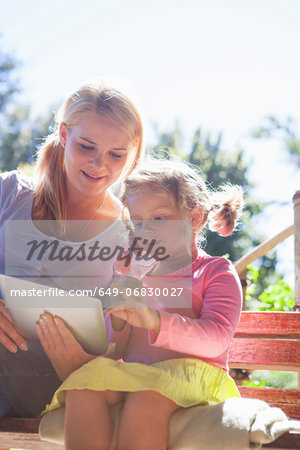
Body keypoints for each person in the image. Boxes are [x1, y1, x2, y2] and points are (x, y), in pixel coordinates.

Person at [37, 158, 244, 450]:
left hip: (195, 378)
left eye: (159, 218)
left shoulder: (215, 272)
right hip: (138, 375)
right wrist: (119, 312)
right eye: (137, 222)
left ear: (194, 219)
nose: (146, 230)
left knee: (146, 396)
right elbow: (116, 349)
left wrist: (154, 321)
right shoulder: (136, 275)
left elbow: (216, 339)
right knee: (83, 386)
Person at [0, 78, 144, 417]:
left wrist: (82, 365)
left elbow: (125, 340)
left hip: (55, 379)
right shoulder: (10, 193)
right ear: (64, 134)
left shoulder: (129, 234)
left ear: (132, 151)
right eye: (87, 147)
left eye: (116, 154)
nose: (99, 164)